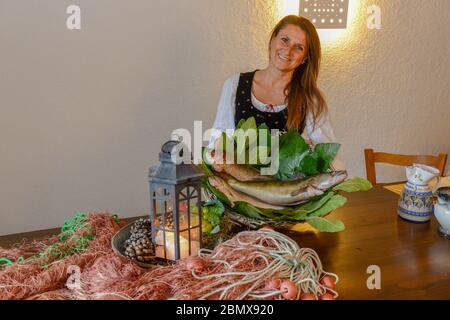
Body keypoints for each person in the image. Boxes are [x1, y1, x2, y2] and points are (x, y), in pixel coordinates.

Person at [210, 15, 345, 171]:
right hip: (241, 186)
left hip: (283, 190)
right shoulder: (235, 85)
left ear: (304, 58)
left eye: (299, 47)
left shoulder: (310, 98)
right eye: (284, 40)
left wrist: (335, 180)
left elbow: (327, 151)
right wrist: (218, 160)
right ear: (272, 40)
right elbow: (219, 139)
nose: (288, 50)